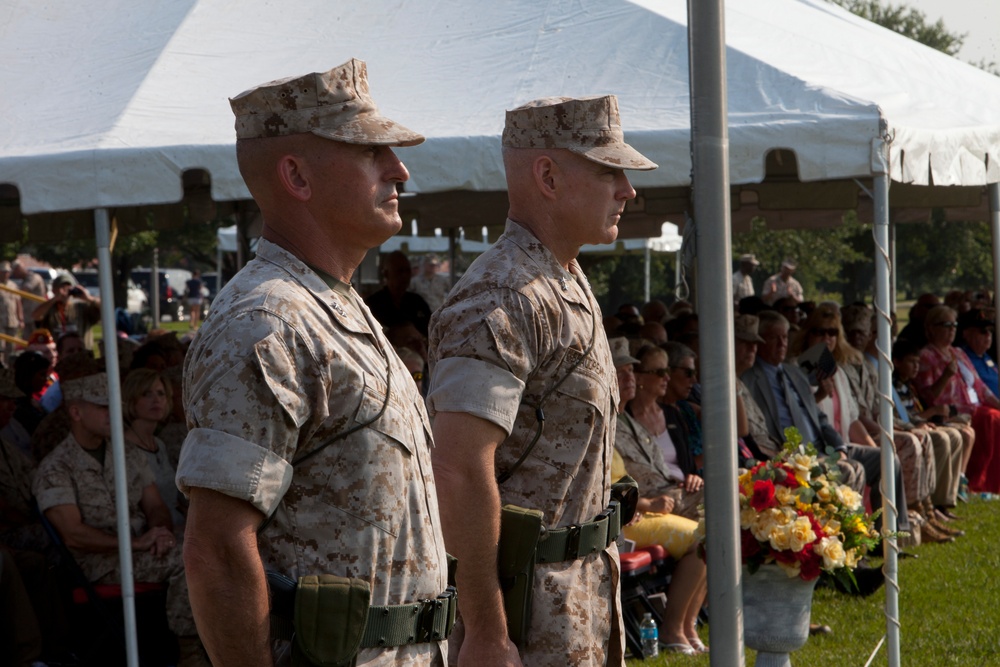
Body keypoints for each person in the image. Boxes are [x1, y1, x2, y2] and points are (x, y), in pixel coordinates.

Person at [176, 59, 451, 666]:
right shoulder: (266, 322)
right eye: (370, 152)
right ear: (296, 174)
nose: (398, 169)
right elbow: (217, 548)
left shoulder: (331, 303)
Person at [428, 94, 656, 666]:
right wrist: (483, 629)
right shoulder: (501, 298)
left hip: (578, 592)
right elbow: (457, 469)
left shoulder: (563, 279)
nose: (627, 190)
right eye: (609, 171)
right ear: (548, 176)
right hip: (525, 611)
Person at [31, 372, 206, 665]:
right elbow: (74, 535)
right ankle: (188, 651)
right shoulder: (56, 468)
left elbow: (154, 505)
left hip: (138, 548)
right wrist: (138, 543)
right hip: (97, 562)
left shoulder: (123, 453)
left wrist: (159, 532)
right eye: (103, 407)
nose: (113, 413)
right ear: (76, 412)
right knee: (191, 561)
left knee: (203, 547)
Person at [741, 310, 909, 538]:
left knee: (887, 459)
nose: (782, 343)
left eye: (785, 337)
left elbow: (820, 419)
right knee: (851, 470)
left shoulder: (794, 373)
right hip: (794, 455)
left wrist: (839, 447)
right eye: (774, 337)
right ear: (760, 342)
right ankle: (850, 546)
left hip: (823, 447)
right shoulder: (750, 378)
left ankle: (892, 539)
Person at [607, 337, 707, 656]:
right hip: (624, 519)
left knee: (718, 525)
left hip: (641, 508)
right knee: (704, 535)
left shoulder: (624, 420)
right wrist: (645, 503)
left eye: (631, 371)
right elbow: (598, 484)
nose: (630, 379)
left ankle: (687, 625)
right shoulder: (599, 421)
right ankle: (672, 627)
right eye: (621, 372)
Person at [916, 305, 1000, 497]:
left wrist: (997, 402)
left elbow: (980, 387)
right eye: (946, 325)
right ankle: (979, 482)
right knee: (992, 420)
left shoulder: (958, 353)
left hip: (974, 407)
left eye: (954, 324)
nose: (952, 329)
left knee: (995, 414)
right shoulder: (925, 356)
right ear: (931, 328)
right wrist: (945, 376)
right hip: (950, 411)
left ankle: (994, 482)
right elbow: (928, 396)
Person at [123, 369, 184, 528]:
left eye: (160, 393)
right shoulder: (123, 449)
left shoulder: (159, 444)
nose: (156, 400)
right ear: (132, 400)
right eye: (146, 394)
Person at [365, 251, 434, 336]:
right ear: (386, 274)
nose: (405, 276)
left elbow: (431, 331)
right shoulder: (373, 304)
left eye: (407, 271)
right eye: (400, 271)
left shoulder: (417, 302)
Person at [31, 275, 100, 351]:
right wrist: (55, 298)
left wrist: (88, 298)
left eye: (69, 287)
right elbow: (36, 316)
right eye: (62, 287)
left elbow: (105, 309)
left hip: (82, 352)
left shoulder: (82, 308)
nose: (65, 291)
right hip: (58, 354)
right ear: (54, 290)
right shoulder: (49, 308)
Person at [957, 307, 998, 397]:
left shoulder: (986, 356)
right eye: (983, 331)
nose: (988, 335)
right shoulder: (962, 358)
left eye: (990, 331)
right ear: (966, 334)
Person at [10, 262, 45, 339]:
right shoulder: (24, 280)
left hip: (36, 316)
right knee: (28, 340)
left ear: (19, 269)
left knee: (38, 339)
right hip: (28, 316)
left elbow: (23, 292)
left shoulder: (33, 277)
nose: (14, 275)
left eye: (15, 272)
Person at [0, 261, 24, 367]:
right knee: (1, 346)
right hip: (0, 320)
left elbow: (18, 303)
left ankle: (8, 367)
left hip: (12, 320)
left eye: (7, 272)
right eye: (3, 272)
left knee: (11, 347)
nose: (5, 274)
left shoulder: (13, 286)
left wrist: (21, 319)